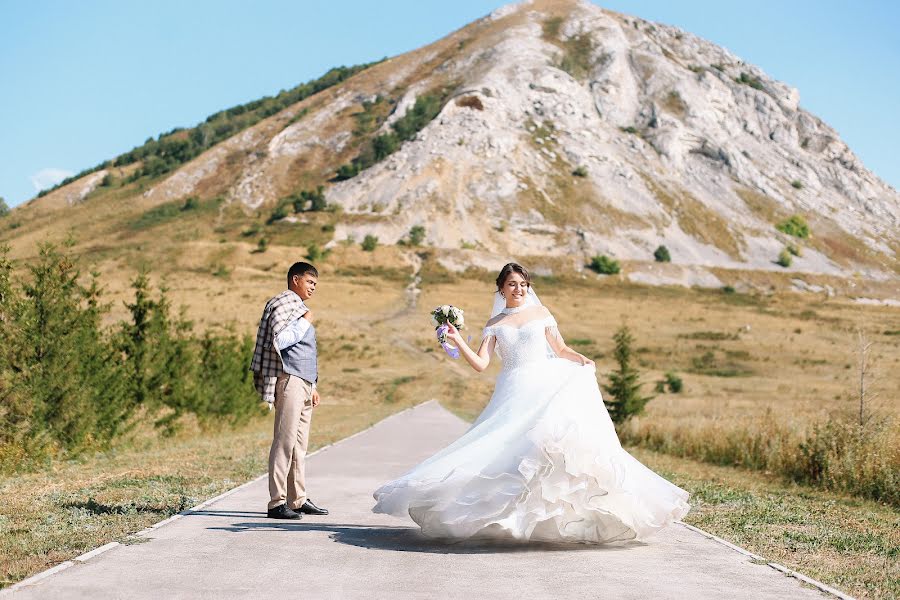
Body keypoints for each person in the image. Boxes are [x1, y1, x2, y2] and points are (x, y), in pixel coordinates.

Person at [372, 262, 689, 543]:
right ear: (501, 288)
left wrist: (583, 360)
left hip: (545, 384)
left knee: (547, 445)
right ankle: (510, 518)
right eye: (512, 284)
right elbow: (481, 364)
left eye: (524, 284)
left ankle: (562, 515)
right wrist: (455, 339)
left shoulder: (541, 314)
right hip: (512, 390)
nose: (519, 289)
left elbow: (561, 349)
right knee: (503, 450)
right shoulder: (495, 323)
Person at [250, 261, 329, 520]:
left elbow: (304, 350)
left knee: (300, 446)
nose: (313, 288)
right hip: (290, 381)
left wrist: (314, 385)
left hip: (305, 383)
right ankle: (276, 503)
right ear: (295, 279)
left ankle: (298, 499)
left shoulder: (300, 308)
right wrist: (305, 322)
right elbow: (280, 341)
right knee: (284, 442)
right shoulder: (283, 304)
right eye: (310, 282)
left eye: (315, 284)